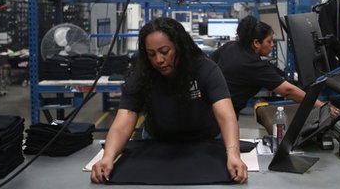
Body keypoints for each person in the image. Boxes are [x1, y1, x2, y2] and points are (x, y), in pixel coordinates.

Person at [91, 17, 248, 184]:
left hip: (205, 142)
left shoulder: (205, 69)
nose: (159, 60)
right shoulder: (141, 75)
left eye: (165, 51)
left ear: (179, 47)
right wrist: (107, 157)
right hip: (157, 143)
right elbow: (123, 122)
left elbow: (226, 116)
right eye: (151, 54)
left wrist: (233, 154)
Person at [210, 15, 339, 118]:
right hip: (219, 117)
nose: (272, 44)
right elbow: (288, 91)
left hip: (211, 106)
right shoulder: (254, 66)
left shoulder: (231, 46)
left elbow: (209, 65)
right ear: (256, 43)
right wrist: (321, 106)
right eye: (269, 41)